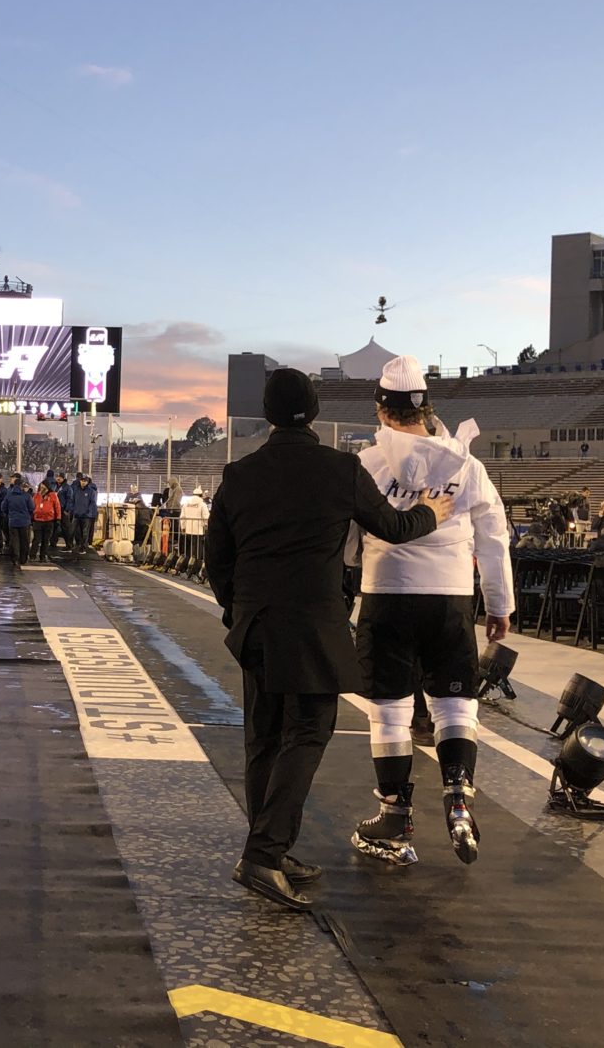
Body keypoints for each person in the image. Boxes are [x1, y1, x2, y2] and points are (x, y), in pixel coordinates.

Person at [205, 368, 450, 911]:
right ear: (314, 411)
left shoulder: (238, 473)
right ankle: (264, 856)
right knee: (309, 732)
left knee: (263, 738)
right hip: (312, 623)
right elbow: (393, 527)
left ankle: (267, 843)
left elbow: (216, 560)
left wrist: (236, 610)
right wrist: (431, 512)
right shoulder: (340, 468)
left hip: (255, 623)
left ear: (267, 413)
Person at [347, 355, 513, 870]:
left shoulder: (369, 463)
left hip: (387, 594)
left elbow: (349, 541)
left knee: (390, 709)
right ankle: (458, 793)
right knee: (455, 705)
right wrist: (500, 604)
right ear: (426, 407)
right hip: (450, 596)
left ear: (381, 408)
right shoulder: (467, 464)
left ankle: (395, 818)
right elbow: (493, 537)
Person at [4, 477, 35, 568]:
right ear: (22, 485)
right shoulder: (27, 496)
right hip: (25, 522)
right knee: (24, 541)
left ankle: (15, 559)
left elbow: (3, 507)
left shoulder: (9, 495)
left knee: (14, 541)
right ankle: (23, 559)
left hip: (13, 521)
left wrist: (10, 514)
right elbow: (32, 508)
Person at [69, 471, 99, 553]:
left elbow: (92, 503)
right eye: (82, 480)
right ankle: (72, 545)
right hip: (76, 514)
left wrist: (88, 512)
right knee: (73, 531)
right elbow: (72, 501)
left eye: (85, 481)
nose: (83, 482)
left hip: (86, 516)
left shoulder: (91, 492)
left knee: (85, 533)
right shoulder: (76, 490)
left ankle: (83, 547)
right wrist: (73, 510)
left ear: (87, 482)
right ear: (80, 480)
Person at [33, 480, 61, 561]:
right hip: (37, 520)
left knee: (46, 540)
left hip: (49, 521)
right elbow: (32, 505)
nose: (42, 488)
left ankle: (43, 556)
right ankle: (32, 555)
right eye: (41, 486)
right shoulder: (36, 495)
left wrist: (58, 518)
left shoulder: (53, 495)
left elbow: (57, 507)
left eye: (43, 487)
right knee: (36, 539)